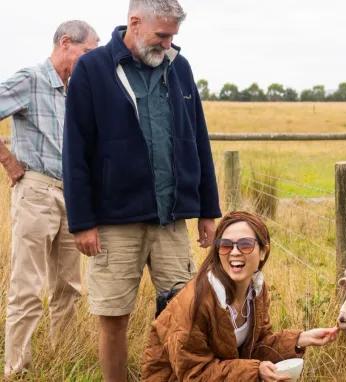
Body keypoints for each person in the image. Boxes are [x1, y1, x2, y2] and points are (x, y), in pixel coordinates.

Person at [63, 1, 221, 381]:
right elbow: (75, 150)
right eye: (161, 36)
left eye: (172, 37)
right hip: (114, 224)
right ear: (134, 22)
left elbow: (197, 139)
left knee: (183, 315)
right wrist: (82, 222)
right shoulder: (93, 69)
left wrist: (207, 211)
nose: (167, 44)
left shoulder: (180, 68)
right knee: (114, 318)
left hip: (171, 220)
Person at [0, 20, 98, 377]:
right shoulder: (31, 79)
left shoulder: (77, 91)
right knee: (27, 287)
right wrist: (9, 162)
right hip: (37, 192)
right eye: (88, 52)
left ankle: (63, 364)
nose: (91, 60)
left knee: (69, 288)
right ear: (66, 43)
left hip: (72, 198)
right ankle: (17, 369)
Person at [142, 211, 339, 381]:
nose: (235, 252)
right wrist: (255, 372)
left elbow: (257, 346)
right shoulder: (197, 301)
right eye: (226, 245)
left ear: (263, 251)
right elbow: (195, 374)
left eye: (245, 245)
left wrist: (300, 339)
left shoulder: (256, 290)